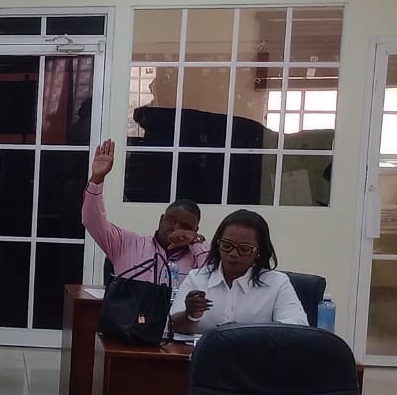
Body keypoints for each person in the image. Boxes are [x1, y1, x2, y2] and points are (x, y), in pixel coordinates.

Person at [85, 139, 208, 283]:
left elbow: (216, 276)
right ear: (161, 219)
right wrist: (97, 179)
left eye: (185, 226)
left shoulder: (199, 259)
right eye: (170, 221)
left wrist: (197, 242)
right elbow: (92, 221)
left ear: (195, 231)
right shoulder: (127, 244)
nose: (175, 228)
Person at [170, 209, 306, 335]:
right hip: (200, 353)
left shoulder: (277, 283)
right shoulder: (196, 278)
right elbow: (170, 327)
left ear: (259, 251)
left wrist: (243, 334)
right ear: (218, 244)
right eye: (226, 245)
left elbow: (297, 327)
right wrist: (190, 315)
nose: (233, 253)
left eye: (244, 249)